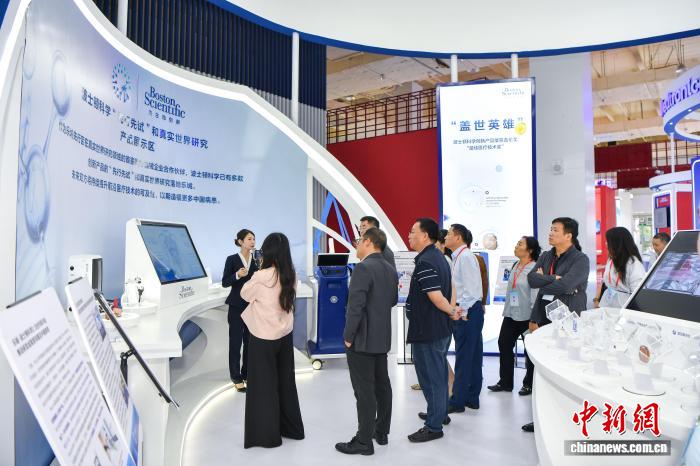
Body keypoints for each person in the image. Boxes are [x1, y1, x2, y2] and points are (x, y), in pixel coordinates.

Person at [522, 217, 590, 433]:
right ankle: (541, 417)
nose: (550, 233)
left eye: (555, 230)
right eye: (550, 229)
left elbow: (567, 285)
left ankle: (566, 417)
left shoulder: (580, 259)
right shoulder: (546, 255)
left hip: (568, 314)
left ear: (568, 235)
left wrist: (548, 280)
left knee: (563, 364)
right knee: (540, 366)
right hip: (543, 312)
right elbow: (531, 280)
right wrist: (554, 279)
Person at [335, 227, 398, 455]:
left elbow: (355, 307)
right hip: (381, 338)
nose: (357, 244)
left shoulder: (363, 268)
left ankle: (363, 441)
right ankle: (381, 432)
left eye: (359, 240)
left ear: (369, 242)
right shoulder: (390, 269)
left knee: (364, 391)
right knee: (382, 386)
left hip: (362, 339)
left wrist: (348, 336)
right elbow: (392, 300)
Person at [241, 233, 304, 448]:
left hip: (263, 337)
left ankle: (267, 436)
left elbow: (244, 295)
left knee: (263, 387)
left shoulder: (261, 276)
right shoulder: (291, 275)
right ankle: (291, 429)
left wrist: (259, 270)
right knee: (286, 383)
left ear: (267, 252)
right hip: (284, 335)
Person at [406, 218, 462, 443]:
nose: (409, 236)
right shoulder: (437, 257)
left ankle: (434, 426)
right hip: (435, 327)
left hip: (428, 330)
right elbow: (450, 289)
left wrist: (451, 310)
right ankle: (439, 413)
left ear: (425, 236)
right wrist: (451, 311)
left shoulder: (427, 261)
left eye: (413, 232)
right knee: (436, 374)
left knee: (432, 377)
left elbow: (436, 296)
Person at [487, 236, 541, 395]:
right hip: (511, 314)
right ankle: (505, 382)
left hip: (528, 316)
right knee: (504, 344)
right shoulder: (515, 265)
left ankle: (529, 384)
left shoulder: (535, 268)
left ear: (529, 250)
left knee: (529, 351)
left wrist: (534, 318)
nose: (516, 246)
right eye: (517, 243)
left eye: (520, 244)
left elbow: (536, 294)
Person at [444, 224, 485, 413]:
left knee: (464, 356)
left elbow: (471, 290)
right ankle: (471, 397)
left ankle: (458, 401)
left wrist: (464, 312)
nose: (445, 237)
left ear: (458, 238)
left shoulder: (465, 257)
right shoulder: (459, 256)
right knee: (473, 355)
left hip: (467, 311)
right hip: (468, 310)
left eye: (449, 234)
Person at [411, 229, 456, 394]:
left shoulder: (437, 260)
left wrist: (451, 311)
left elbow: (448, 290)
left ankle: (448, 389)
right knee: (436, 364)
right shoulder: (437, 259)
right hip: (439, 319)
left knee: (435, 366)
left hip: (435, 322)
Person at [222, 229, 259, 392]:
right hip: (236, 306)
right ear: (240, 241)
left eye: (254, 239)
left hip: (252, 306)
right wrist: (237, 275)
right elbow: (225, 282)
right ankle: (236, 377)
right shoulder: (232, 259)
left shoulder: (257, 260)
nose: (253, 242)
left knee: (250, 343)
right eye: (249, 239)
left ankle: (247, 374)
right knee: (235, 343)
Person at [594, 227, 645, 309]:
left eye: (608, 241)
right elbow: (604, 282)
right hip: (606, 306)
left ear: (617, 243)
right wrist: (596, 300)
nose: (606, 244)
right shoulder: (611, 260)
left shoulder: (634, 264)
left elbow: (637, 294)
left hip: (624, 309)